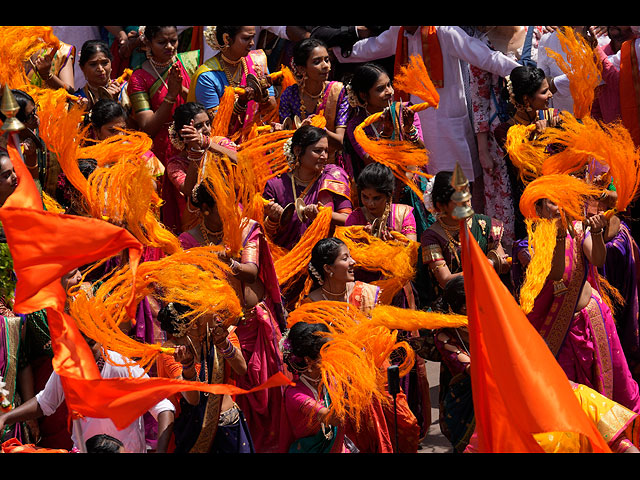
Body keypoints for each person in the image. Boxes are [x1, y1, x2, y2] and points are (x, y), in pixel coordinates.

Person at [331, 26, 521, 186]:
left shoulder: (445, 32)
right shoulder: (399, 32)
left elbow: (485, 57)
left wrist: (522, 73)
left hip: (447, 125)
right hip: (415, 126)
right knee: (427, 187)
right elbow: (372, 47)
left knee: (458, 187)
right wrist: (338, 52)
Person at [180, 181, 286, 453]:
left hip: (253, 327)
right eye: (223, 209)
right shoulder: (189, 242)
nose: (232, 214)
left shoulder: (243, 227)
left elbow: (250, 271)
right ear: (204, 209)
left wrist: (227, 259)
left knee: (267, 398)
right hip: (214, 335)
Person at [303, 237, 422, 452]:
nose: (353, 262)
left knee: (405, 424)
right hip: (340, 384)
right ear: (329, 268)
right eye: (345, 258)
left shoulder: (367, 293)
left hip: (376, 375)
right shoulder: (312, 305)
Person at [527, 197, 640, 413]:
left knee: (609, 387)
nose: (559, 206)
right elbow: (556, 273)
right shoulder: (533, 239)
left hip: (592, 319)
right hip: (558, 330)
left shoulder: (579, 228)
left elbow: (597, 259)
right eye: (551, 203)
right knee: (566, 398)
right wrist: (560, 237)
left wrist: (597, 233)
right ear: (539, 209)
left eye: (561, 201)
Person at [0, 333, 176, 453]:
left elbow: (163, 407)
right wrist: (5, 418)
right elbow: (45, 402)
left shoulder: (123, 367)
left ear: (100, 338)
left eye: (91, 343)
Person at [468, 26, 540, 253]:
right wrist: (483, 151)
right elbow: (479, 100)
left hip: (539, 134)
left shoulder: (538, 32)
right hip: (499, 142)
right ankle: (512, 260)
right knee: (508, 205)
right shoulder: (480, 45)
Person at [156, 302, 254, 453]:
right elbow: (193, 399)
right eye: (209, 308)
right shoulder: (171, 352)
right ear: (194, 323)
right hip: (195, 432)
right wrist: (188, 366)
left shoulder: (222, 334)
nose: (216, 311)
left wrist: (223, 344)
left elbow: (242, 369)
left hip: (230, 427)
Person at [493, 65, 560, 242]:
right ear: (526, 99)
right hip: (530, 210)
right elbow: (526, 166)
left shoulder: (555, 118)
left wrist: (558, 132)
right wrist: (539, 137)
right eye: (544, 92)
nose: (550, 95)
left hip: (559, 202)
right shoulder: (504, 131)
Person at [421, 170, 510, 303]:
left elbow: (503, 264)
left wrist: (501, 262)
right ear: (440, 206)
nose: (467, 206)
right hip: (454, 305)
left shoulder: (485, 225)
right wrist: (487, 264)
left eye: (467, 198)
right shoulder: (432, 236)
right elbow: (446, 280)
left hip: (490, 298)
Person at [127, 25, 200, 183]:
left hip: (193, 141)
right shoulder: (138, 78)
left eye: (173, 41)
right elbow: (148, 126)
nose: (169, 47)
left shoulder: (190, 63)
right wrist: (171, 95)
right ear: (148, 42)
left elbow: (202, 108)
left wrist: (181, 90)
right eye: (162, 42)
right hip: (162, 149)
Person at [263, 125, 352, 251]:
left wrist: (323, 215)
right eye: (317, 151)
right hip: (283, 258)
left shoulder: (333, 176)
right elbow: (263, 235)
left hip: (325, 258)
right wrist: (272, 219)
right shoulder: (275, 185)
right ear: (298, 151)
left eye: (326, 151)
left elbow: (348, 220)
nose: (324, 156)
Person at [188, 26, 276, 139]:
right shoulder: (208, 77)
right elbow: (216, 125)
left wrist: (263, 96)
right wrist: (240, 103)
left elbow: (272, 107)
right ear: (227, 39)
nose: (252, 43)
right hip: (224, 147)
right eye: (246, 38)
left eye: (253, 37)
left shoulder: (257, 62)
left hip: (257, 141)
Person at [343, 62, 425, 182]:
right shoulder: (357, 126)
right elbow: (371, 161)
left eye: (389, 85)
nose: (390, 91)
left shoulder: (406, 111)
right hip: (380, 188)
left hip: (412, 182)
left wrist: (409, 129)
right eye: (381, 89)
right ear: (364, 95)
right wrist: (386, 133)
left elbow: (422, 152)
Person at [278, 321, 351, 453]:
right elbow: (332, 419)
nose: (332, 356)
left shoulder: (331, 380)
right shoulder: (294, 395)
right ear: (309, 360)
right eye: (326, 352)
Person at [279, 38, 349, 169]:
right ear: (301, 68)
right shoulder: (290, 95)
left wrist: (317, 129)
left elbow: (339, 142)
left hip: (330, 164)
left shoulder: (338, 92)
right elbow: (285, 138)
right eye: (317, 62)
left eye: (327, 60)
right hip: (298, 165)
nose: (326, 66)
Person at [431, 275, 474, 453]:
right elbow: (471, 369)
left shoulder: (489, 322)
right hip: (463, 403)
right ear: (459, 306)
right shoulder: (444, 336)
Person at [74, 40, 132, 116]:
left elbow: (137, 125)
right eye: (93, 64)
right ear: (82, 68)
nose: (100, 69)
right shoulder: (77, 99)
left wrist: (115, 103)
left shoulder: (126, 89)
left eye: (105, 63)